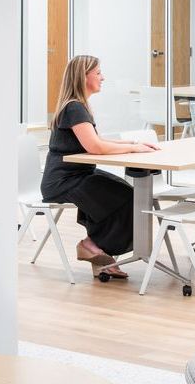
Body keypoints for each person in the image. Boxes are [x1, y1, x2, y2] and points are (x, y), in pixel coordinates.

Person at [42, 55, 159, 279]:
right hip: (63, 181)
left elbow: (99, 140)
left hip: (79, 175)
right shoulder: (74, 108)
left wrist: (133, 144)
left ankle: (97, 250)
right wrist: (133, 150)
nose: (102, 77)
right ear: (83, 77)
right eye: (97, 73)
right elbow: (95, 147)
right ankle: (92, 246)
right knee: (126, 199)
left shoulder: (78, 107)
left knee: (129, 195)